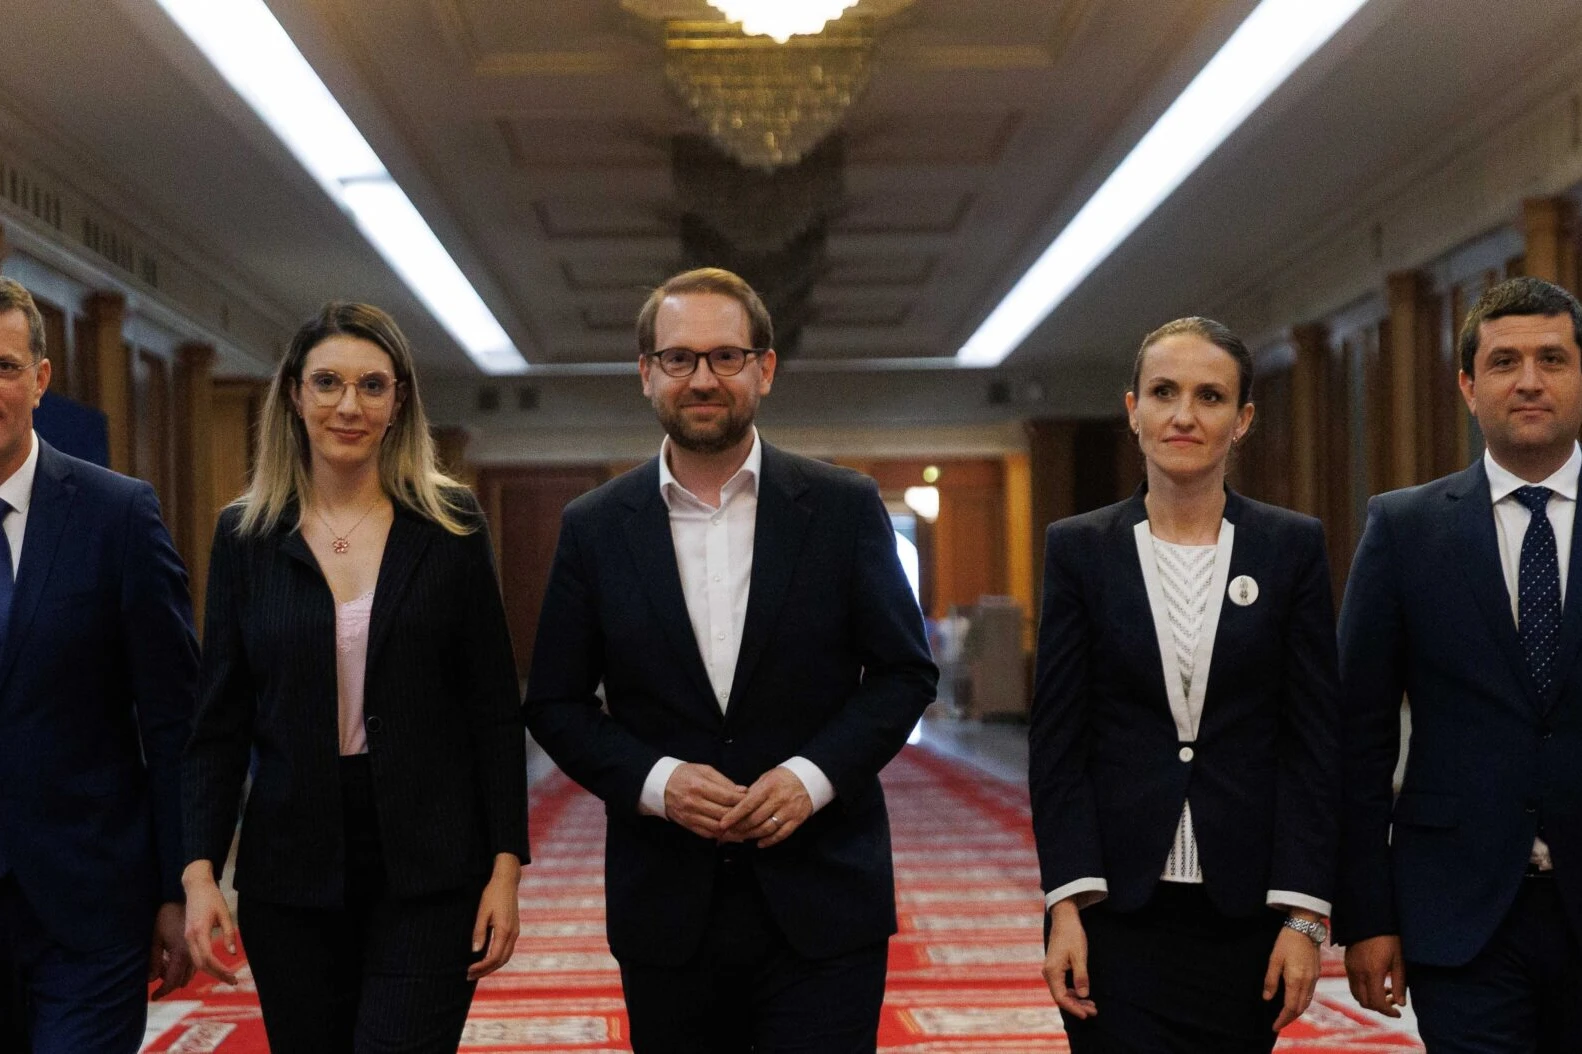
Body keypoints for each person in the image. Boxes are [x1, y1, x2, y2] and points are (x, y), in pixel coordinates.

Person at [524, 267, 937, 1053]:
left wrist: (811, 778)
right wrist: (659, 783)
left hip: (824, 897)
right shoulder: (595, 527)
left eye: (726, 356)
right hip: (666, 904)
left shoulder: (842, 507)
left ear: (765, 369)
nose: (703, 378)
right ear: (646, 373)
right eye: (679, 358)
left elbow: (904, 673)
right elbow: (555, 704)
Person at [181, 301, 527, 1052]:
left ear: (398, 401)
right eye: (328, 382)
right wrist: (199, 871)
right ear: (294, 395)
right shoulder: (246, 535)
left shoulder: (450, 524)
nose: (349, 405)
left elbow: (494, 709)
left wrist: (506, 867)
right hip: (291, 871)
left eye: (372, 385)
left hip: (431, 866)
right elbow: (219, 722)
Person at [1032, 317, 1340, 1051]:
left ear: (1243, 420)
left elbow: (1313, 743)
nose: (1184, 415)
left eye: (1210, 396)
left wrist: (1304, 915)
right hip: (1114, 910)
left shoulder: (1291, 547)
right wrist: (1065, 902)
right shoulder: (1079, 549)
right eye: (1164, 392)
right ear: (1133, 410)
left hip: (1249, 912)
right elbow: (1059, 744)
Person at [1336, 276, 1582, 1051]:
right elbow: (1359, 736)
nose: (1530, 380)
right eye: (1505, 362)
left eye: (1552, 359)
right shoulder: (1404, 529)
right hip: (1458, 914)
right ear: (1469, 387)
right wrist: (1366, 915)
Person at [0, 276, 198, 1051]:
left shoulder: (119, 515)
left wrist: (182, 884)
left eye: (5, 367)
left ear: (41, 379)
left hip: (90, 908)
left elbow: (175, 720)